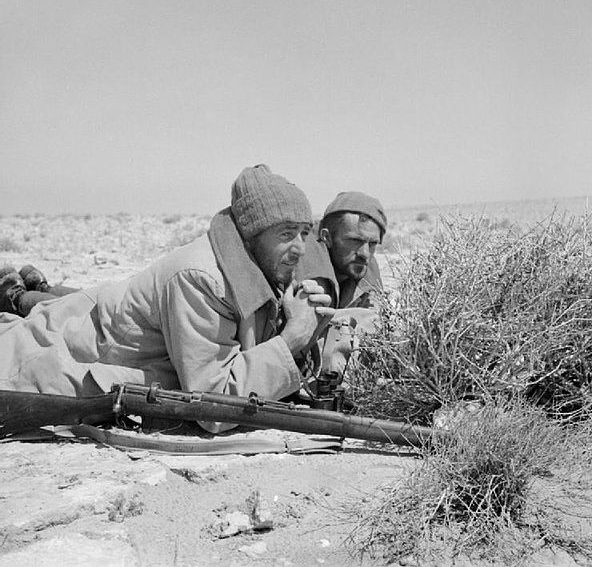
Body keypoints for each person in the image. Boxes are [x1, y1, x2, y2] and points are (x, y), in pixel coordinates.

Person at [0, 165, 334, 432]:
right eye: (286, 234)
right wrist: (290, 341)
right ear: (252, 235)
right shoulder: (202, 279)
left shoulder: (261, 266)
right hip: (66, 351)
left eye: (304, 233)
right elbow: (213, 405)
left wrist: (301, 328)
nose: (301, 249)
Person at [296, 191, 387, 377]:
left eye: (372, 244)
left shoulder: (366, 269)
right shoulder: (305, 268)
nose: (365, 253)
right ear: (326, 237)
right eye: (355, 241)